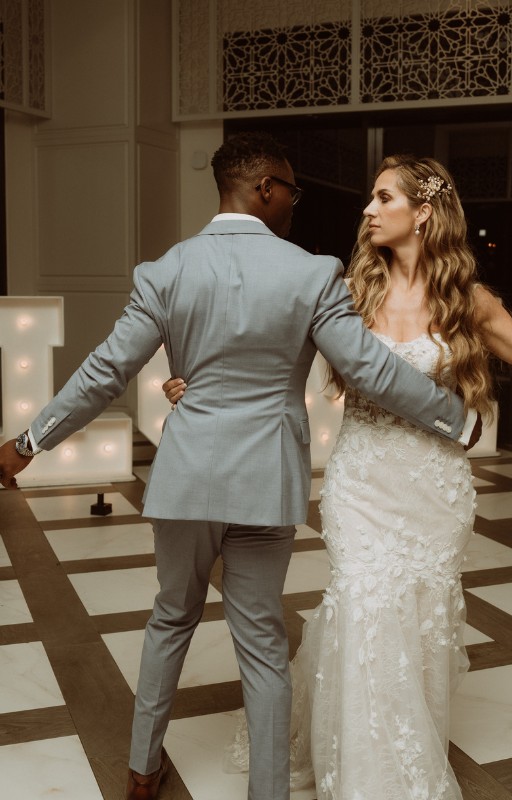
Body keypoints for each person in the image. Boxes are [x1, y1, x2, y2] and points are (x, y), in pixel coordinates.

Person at [0, 133, 478, 800]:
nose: (295, 202)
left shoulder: (164, 272)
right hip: (265, 484)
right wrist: (457, 418)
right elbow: (368, 369)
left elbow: (105, 373)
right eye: (291, 190)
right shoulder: (311, 274)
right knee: (260, 641)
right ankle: (268, 793)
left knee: (171, 617)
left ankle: (142, 770)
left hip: (188, 477)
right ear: (264, 188)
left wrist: (28, 442)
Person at [164, 155, 512, 799]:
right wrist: (195, 382)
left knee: (420, 617)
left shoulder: (468, 302)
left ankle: (398, 743)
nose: (367, 209)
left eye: (383, 197)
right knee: (368, 608)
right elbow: (258, 344)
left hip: (434, 486)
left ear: (422, 213)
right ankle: (373, 777)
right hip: (363, 480)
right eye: (370, 198)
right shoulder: (346, 294)